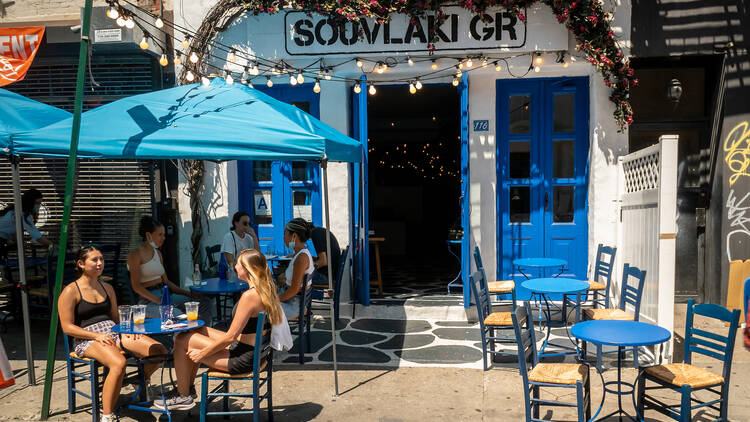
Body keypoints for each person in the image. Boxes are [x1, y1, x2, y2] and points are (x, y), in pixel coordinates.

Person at [154, 248, 284, 410]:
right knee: (198, 330)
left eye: (238, 264)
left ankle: (183, 396)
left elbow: (230, 337)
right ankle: (188, 388)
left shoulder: (249, 297)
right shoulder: (263, 290)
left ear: (248, 269)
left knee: (181, 339)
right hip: (251, 351)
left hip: (242, 358)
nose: (235, 266)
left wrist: (202, 353)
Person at [59, 245, 167, 422]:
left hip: (113, 331)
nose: (100, 263)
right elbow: (67, 327)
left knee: (159, 350)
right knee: (119, 363)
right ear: (81, 264)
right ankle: (107, 415)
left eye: (101, 259)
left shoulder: (107, 287)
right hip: (86, 338)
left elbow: (116, 319)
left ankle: (141, 380)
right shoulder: (71, 291)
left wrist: (128, 330)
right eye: (94, 260)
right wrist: (96, 336)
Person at [127, 216, 212, 320]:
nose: (163, 238)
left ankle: (202, 333)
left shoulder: (158, 254)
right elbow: (136, 286)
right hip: (148, 302)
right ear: (148, 235)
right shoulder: (135, 254)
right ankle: (181, 336)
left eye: (164, 235)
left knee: (203, 303)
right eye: (160, 235)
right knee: (179, 315)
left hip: (165, 295)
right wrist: (159, 301)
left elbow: (166, 281)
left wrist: (189, 293)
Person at [276, 218, 315, 318]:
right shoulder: (299, 254)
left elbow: (294, 289)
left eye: (285, 234)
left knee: (258, 309)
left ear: (294, 236)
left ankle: (266, 332)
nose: (284, 238)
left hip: (293, 304)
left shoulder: (301, 258)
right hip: (291, 299)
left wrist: (275, 300)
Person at [0, 188, 53, 259]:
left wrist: (22, 243)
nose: (39, 206)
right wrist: (52, 245)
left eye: (40, 203)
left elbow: (12, 231)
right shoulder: (22, 214)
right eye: (37, 203)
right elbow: (37, 236)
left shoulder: (15, 211)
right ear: (30, 202)